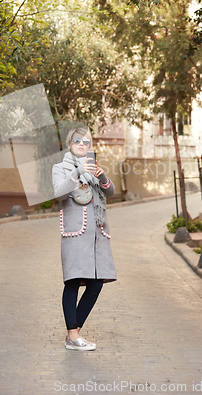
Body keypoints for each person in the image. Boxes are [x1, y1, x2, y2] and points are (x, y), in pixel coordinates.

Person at [52, 127, 116, 351]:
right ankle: (73, 334)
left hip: (97, 235)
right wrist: (77, 171)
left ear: (89, 147)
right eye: (77, 141)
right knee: (72, 282)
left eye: (86, 142)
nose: (81, 144)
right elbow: (59, 193)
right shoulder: (60, 168)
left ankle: (74, 333)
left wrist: (102, 176)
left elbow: (110, 192)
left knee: (96, 283)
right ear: (70, 144)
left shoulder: (94, 169)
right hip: (76, 233)